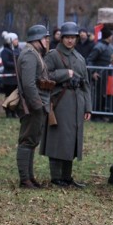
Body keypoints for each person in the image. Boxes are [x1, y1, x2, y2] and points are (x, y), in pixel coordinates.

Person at [42, 21, 92, 187]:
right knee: (59, 139)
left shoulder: (80, 58)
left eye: (73, 37)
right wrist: (65, 73)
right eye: (67, 37)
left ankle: (67, 177)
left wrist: (88, 107)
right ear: (62, 38)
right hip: (60, 101)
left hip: (77, 101)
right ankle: (56, 177)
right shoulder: (53, 55)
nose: (70, 40)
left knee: (72, 140)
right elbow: (44, 75)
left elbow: (86, 84)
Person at [14, 24, 53, 189]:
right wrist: (38, 106)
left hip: (37, 104)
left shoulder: (35, 53)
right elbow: (29, 85)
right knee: (27, 141)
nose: (47, 40)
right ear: (37, 39)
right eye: (45, 38)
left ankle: (30, 178)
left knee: (32, 141)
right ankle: (25, 179)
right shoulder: (30, 55)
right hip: (33, 106)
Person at [0, 32, 21, 117]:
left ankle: (14, 111)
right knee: (8, 95)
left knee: (15, 96)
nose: (17, 41)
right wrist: (16, 64)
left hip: (16, 78)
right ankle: (8, 112)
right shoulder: (5, 51)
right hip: (8, 79)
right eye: (15, 39)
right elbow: (6, 63)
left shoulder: (18, 50)